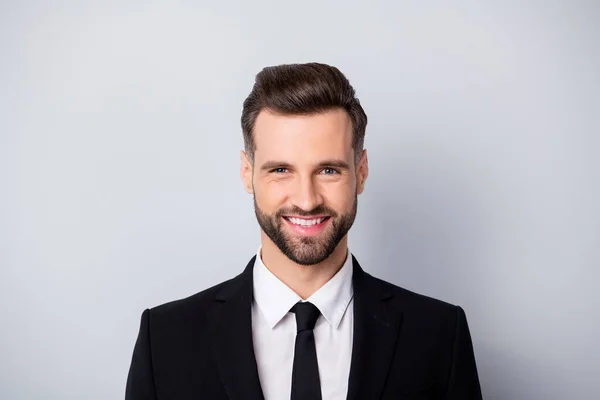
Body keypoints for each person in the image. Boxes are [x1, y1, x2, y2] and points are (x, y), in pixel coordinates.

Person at [125, 62, 483, 400]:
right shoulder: (166, 339)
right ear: (247, 173)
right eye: (281, 170)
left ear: (362, 171)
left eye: (329, 170)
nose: (307, 200)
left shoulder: (439, 336)